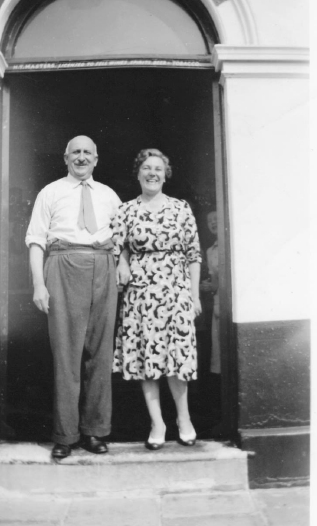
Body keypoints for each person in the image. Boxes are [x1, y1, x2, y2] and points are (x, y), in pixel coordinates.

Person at [25, 135, 122, 459]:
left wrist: (120, 263)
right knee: (66, 355)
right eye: (75, 152)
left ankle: (95, 432)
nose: (81, 157)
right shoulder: (50, 192)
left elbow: (121, 237)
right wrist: (39, 284)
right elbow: (37, 241)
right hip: (63, 265)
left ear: (96, 160)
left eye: (87, 153)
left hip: (103, 267)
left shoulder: (109, 195)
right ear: (66, 158)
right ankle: (65, 435)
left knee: (100, 353)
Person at [112, 148, 202, 450]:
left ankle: (184, 419)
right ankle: (157, 422)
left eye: (158, 169)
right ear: (138, 173)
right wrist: (123, 261)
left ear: (166, 175)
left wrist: (194, 294)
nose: (152, 173)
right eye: (147, 168)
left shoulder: (181, 208)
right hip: (141, 292)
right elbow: (118, 246)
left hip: (176, 291)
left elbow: (194, 254)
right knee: (147, 356)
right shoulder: (126, 210)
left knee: (177, 357)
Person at [200, 210, 220, 374]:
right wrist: (207, 286)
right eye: (209, 221)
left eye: (216, 219)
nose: (213, 223)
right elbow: (215, 282)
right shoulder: (210, 250)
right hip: (217, 307)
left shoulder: (230, 246)